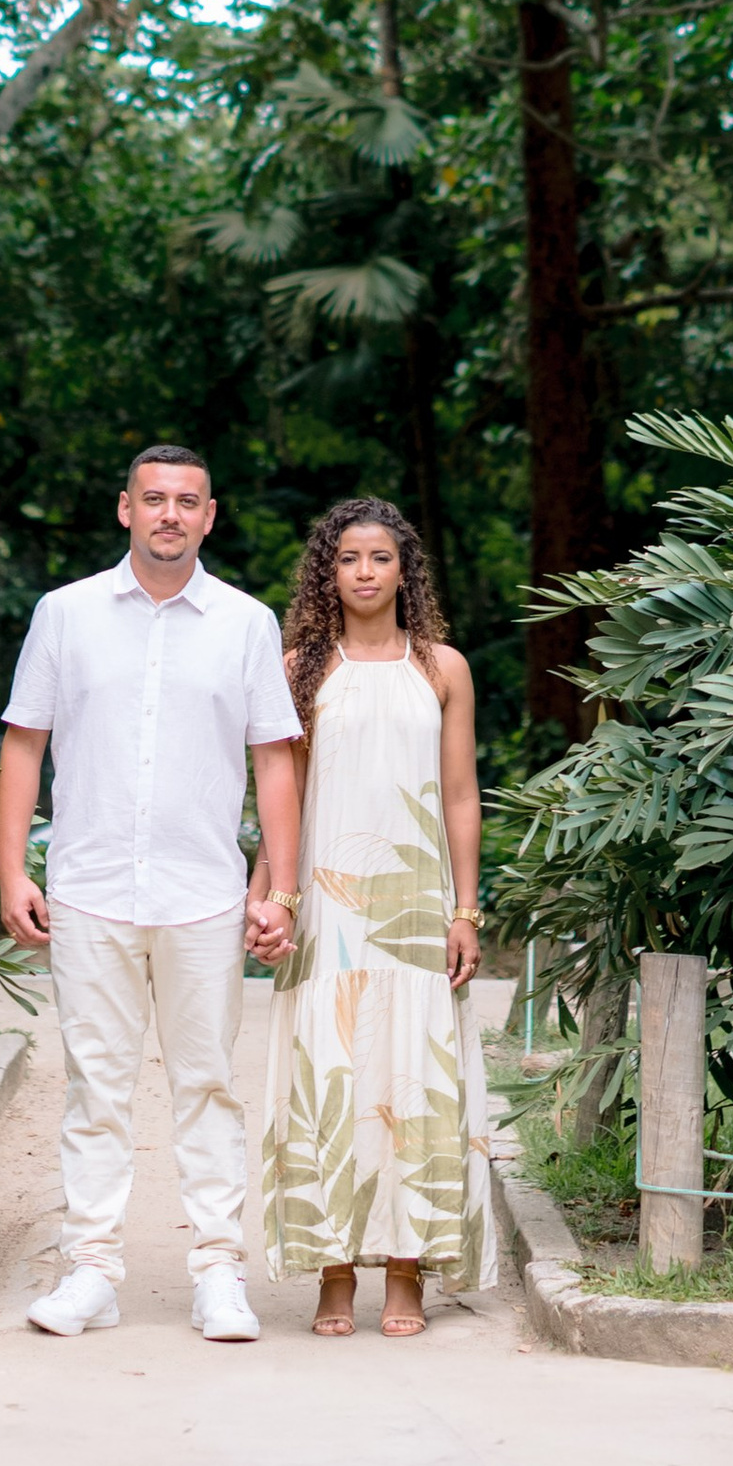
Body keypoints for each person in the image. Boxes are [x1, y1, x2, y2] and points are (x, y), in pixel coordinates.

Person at [0, 440, 303, 1341]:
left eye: (188, 500)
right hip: (89, 886)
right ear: (124, 508)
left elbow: (275, 764)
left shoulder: (247, 622)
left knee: (208, 1084)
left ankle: (218, 1271)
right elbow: (24, 743)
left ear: (211, 515)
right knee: (97, 1084)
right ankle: (91, 1269)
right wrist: (14, 870)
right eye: (154, 497)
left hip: (204, 895)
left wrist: (277, 890)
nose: (170, 513)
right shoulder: (66, 613)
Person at [254, 495, 493, 1338]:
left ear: (404, 570)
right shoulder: (295, 672)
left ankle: (406, 1270)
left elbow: (461, 793)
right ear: (329, 569)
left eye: (380, 556)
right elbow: (282, 796)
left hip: (418, 904)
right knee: (330, 1075)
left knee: (413, 1079)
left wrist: (465, 907)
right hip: (327, 903)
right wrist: (268, 895)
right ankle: (331, 1270)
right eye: (348, 556)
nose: (363, 570)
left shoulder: (443, 668)